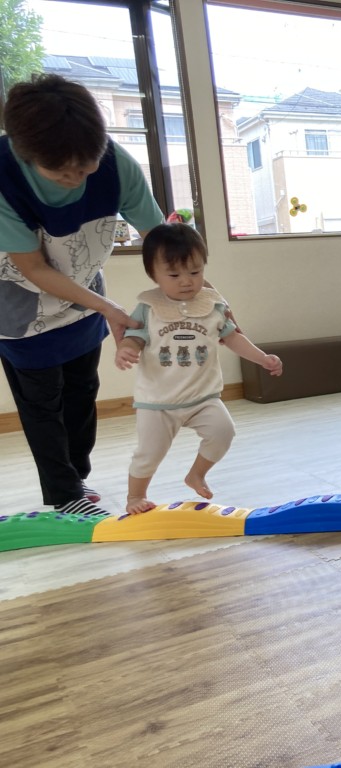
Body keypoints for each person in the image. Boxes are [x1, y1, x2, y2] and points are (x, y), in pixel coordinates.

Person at [0, 73, 166, 516]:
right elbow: (33, 267)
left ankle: (78, 477)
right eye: (61, 171)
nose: (76, 178)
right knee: (42, 403)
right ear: (25, 153)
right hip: (18, 307)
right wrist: (109, 307)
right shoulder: (3, 174)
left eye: (85, 166)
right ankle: (65, 494)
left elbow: (158, 236)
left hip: (84, 295)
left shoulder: (114, 163)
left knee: (81, 390)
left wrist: (198, 292)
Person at [114, 223, 283, 514]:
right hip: (157, 401)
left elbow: (233, 337)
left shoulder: (212, 306)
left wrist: (262, 358)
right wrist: (126, 349)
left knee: (223, 432)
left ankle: (196, 474)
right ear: (153, 274)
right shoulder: (149, 307)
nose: (186, 281)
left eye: (195, 272)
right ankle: (135, 496)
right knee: (149, 453)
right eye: (174, 275)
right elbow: (134, 337)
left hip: (203, 397)